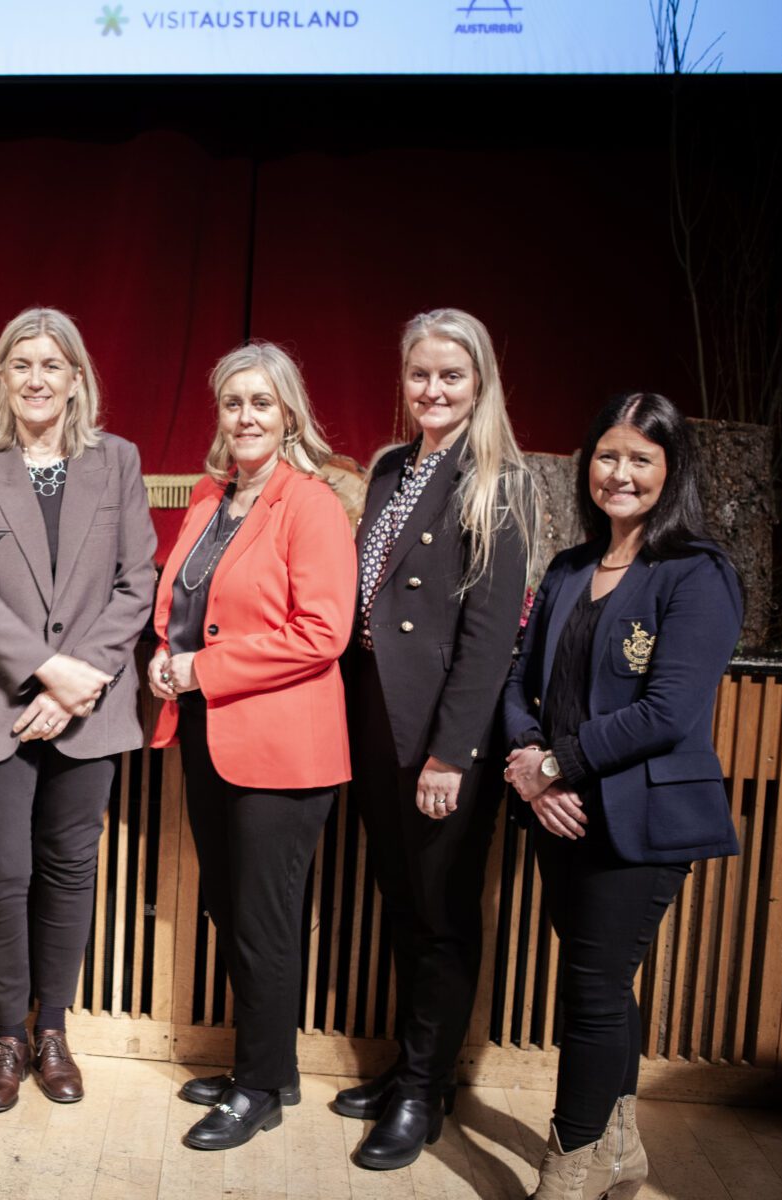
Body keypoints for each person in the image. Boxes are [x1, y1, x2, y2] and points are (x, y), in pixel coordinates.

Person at [501, 392, 741, 1199]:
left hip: (641, 819)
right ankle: (620, 1149)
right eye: (608, 455)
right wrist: (530, 763)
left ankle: (567, 1172)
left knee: (592, 992)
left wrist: (555, 765)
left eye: (642, 458)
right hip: (560, 814)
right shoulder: (569, 568)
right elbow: (518, 683)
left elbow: (668, 712)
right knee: (602, 985)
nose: (621, 473)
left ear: (673, 471)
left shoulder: (697, 572)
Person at [0, 308, 157, 1112]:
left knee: (68, 872)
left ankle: (53, 1030)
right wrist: (47, 673)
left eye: (51, 365)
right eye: (21, 364)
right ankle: (7, 1038)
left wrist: (79, 683)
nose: (36, 378)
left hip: (89, 708)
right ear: (3, 378)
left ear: (76, 380)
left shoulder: (118, 460)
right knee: (1, 877)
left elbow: (137, 581)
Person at [336, 308, 541, 1170]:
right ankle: (406, 1067)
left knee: (443, 911)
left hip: (441, 736)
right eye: (420, 374)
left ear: (480, 381)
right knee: (403, 901)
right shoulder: (391, 466)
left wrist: (452, 754)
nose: (433, 389)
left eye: (451, 375)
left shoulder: (500, 479)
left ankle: (426, 1090)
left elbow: (490, 638)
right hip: (375, 717)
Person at [147, 342, 356, 1151]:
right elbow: (186, 607)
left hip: (284, 747)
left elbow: (322, 632)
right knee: (229, 908)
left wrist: (202, 667)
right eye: (233, 402)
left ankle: (260, 1088)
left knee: (264, 920)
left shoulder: (311, 504)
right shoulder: (210, 498)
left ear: (289, 413)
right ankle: (268, 1066)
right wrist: (165, 658)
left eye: (261, 402)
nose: (245, 416)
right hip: (208, 733)